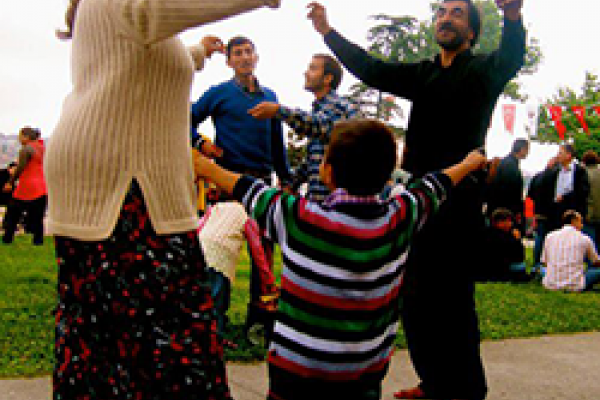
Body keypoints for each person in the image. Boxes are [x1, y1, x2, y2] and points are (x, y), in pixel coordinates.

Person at [47, 1, 281, 399]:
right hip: (120, 187)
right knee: (156, 341)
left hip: (131, 184)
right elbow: (152, 13)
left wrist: (196, 54)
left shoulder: (138, 22)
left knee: (145, 342)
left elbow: (141, 62)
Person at [306, 1, 526, 399]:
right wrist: (327, 32)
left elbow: (512, 57)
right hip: (417, 200)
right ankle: (434, 382)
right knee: (414, 300)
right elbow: (371, 68)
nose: (446, 17)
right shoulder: (423, 74)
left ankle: (467, 389)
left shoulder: (481, 72)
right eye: (441, 12)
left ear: (472, 31)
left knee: (453, 303)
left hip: (458, 202)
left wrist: (512, 17)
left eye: (457, 13)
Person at [194, 118, 488, 400]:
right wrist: (469, 163)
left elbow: (244, 187)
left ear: (328, 172)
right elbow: (436, 184)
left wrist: (205, 166)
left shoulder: (297, 217)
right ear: (387, 176)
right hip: (363, 375)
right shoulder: (401, 217)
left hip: (296, 374)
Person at [190, 35, 291, 342]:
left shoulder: (270, 95)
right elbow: (185, 120)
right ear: (229, 61)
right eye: (238, 53)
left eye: (249, 51)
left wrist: (285, 179)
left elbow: (277, 144)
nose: (245, 57)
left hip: (262, 183)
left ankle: (258, 325)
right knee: (218, 248)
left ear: (256, 57)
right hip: (227, 183)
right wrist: (201, 143)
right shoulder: (219, 94)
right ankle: (214, 324)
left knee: (263, 257)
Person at [248, 53, 358, 201]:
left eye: (312, 68)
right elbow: (313, 160)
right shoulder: (321, 109)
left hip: (337, 208)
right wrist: (292, 184)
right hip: (322, 205)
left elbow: (317, 125)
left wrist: (278, 111)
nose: (305, 73)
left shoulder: (340, 106)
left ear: (327, 78)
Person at [197, 201, 279, 347]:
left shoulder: (217, 207)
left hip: (202, 245)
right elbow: (257, 251)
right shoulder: (248, 216)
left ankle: (205, 335)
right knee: (220, 301)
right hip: (221, 256)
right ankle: (218, 339)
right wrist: (268, 279)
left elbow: (200, 224)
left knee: (205, 297)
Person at [2, 127, 47, 245]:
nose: (19, 139)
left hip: (27, 186)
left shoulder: (26, 149)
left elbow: (20, 168)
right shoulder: (42, 148)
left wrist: (10, 182)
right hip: (42, 186)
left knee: (12, 213)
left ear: (26, 137)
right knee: (38, 217)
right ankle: (38, 241)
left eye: (20, 136)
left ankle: (7, 238)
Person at [541, 210, 600, 291]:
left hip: (550, 284)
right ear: (574, 221)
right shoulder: (584, 238)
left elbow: (544, 262)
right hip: (576, 285)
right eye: (580, 222)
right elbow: (596, 262)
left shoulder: (549, 236)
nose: (582, 225)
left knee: (541, 269)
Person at [486, 138, 529, 231]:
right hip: (504, 214)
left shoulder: (507, 163)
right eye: (527, 149)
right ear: (521, 149)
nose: (528, 153)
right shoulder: (510, 166)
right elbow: (510, 192)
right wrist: (516, 211)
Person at [477, 208, 530, 282]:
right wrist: (517, 240)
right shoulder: (500, 236)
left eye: (509, 221)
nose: (507, 224)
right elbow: (519, 256)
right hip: (500, 271)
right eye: (503, 221)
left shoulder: (502, 234)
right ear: (495, 223)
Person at [527, 156, 560, 272]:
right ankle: (549, 263)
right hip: (552, 212)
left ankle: (536, 263)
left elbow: (530, 194)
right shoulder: (556, 177)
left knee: (539, 238)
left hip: (539, 211)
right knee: (552, 239)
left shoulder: (537, 176)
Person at [548, 144, 590, 231]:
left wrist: (564, 197)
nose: (557, 156)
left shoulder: (579, 171)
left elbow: (583, 191)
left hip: (573, 212)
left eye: (560, 153)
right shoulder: (556, 170)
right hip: (557, 213)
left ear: (568, 155)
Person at [581, 150, 600, 249]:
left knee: (590, 241)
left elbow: (583, 194)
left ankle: (592, 263)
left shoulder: (584, 174)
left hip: (589, 212)